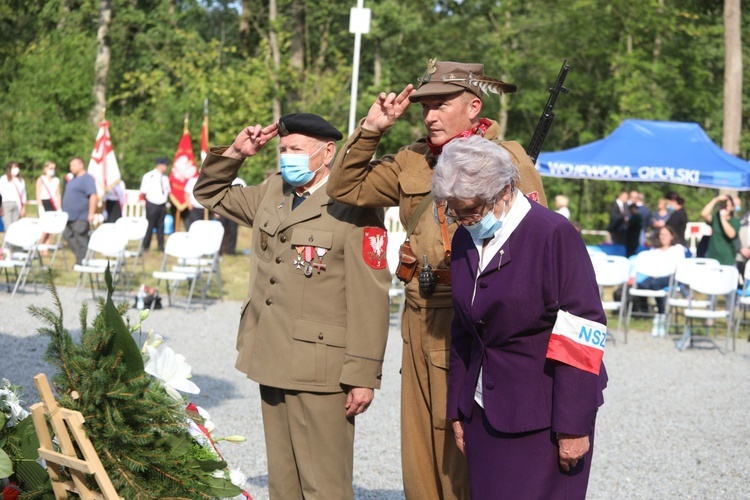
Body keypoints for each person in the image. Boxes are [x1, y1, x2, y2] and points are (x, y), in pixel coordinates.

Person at [326, 59, 547, 499]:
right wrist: (372, 130)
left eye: (441, 104)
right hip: (418, 311)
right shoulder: (413, 158)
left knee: (461, 444)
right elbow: (344, 188)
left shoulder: (507, 160)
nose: (429, 115)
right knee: (419, 448)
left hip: (469, 317)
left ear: (472, 106)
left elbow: (533, 246)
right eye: (424, 106)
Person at [193, 113, 391, 499]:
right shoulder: (273, 191)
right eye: (283, 150)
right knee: (284, 483)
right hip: (271, 353)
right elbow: (209, 194)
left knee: (324, 485)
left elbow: (371, 295)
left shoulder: (354, 203)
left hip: (322, 368)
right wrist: (236, 152)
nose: (287, 158)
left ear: (327, 152)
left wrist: (363, 374)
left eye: (296, 150)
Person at [432, 135, 606, 499]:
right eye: (455, 212)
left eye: (473, 211)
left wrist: (573, 426)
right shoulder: (466, 237)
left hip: (542, 419)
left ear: (506, 191)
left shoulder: (552, 235)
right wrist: (458, 408)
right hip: (483, 411)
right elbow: (464, 328)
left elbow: (581, 331)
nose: (465, 221)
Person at [636, 225, 686, 337]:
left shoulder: (677, 248)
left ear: (672, 236)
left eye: (666, 234)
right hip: (654, 275)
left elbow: (678, 266)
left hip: (671, 276)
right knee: (642, 284)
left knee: (654, 284)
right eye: (661, 234)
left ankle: (661, 314)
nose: (663, 237)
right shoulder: (654, 250)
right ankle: (648, 312)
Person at [62, 157, 97, 265]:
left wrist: (91, 213)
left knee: (80, 238)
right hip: (68, 216)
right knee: (67, 235)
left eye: (73, 165)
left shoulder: (87, 179)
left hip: (81, 216)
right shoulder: (72, 179)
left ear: (81, 165)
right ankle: (81, 258)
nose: (71, 167)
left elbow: (93, 196)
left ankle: (83, 261)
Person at [140, 157, 171, 251]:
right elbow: (143, 192)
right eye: (165, 165)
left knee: (161, 226)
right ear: (160, 165)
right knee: (150, 225)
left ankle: (161, 247)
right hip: (152, 203)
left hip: (162, 204)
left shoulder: (165, 178)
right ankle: (145, 246)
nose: (166, 167)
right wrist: (149, 201)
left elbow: (168, 191)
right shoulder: (149, 176)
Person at [701, 194, 739, 266]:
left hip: (727, 260)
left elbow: (731, 234)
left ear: (731, 207)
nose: (723, 207)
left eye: (726, 205)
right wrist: (716, 200)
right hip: (712, 258)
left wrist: (722, 218)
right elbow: (704, 214)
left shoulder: (735, 221)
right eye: (722, 205)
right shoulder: (715, 219)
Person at [35, 161, 62, 253]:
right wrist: (40, 207)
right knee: (44, 228)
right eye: (50, 168)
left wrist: (59, 207)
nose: (52, 170)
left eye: (54, 168)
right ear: (45, 169)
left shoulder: (56, 180)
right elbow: (38, 193)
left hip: (53, 204)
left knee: (51, 228)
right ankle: (39, 246)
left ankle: (46, 247)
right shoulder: (41, 179)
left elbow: (58, 194)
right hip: (44, 202)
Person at [0, 161, 26, 230]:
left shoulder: (21, 180)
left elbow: (23, 195)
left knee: (15, 228)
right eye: (14, 167)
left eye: (17, 167)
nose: (16, 169)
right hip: (6, 204)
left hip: (17, 205)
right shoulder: (4, 179)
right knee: (8, 228)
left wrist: (23, 208)